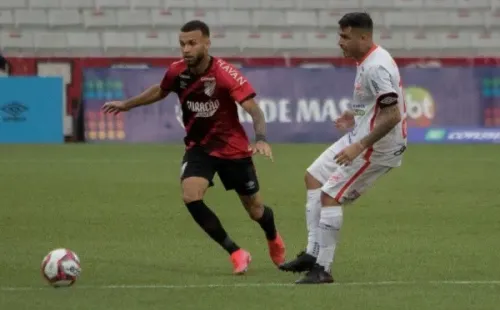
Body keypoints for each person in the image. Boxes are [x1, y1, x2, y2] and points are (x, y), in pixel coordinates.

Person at [102, 20, 286, 275]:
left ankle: (273, 236)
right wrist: (127, 105)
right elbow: (161, 90)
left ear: (207, 43)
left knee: (255, 210)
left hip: (233, 149)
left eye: (192, 43)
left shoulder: (225, 73)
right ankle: (235, 252)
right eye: (182, 44)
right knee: (190, 195)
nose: (186, 49)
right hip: (199, 147)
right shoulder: (177, 71)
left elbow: (254, 109)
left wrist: (262, 138)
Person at [279, 12, 408, 284]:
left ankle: (322, 269)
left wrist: (359, 146)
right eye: (340, 35)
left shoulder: (376, 67)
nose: (340, 42)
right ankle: (313, 253)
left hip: (376, 147)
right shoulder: (368, 60)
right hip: (361, 134)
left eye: (345, 37)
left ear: (364, 37)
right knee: (313, 176)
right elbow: (378, 102)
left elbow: (393, 115)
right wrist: (355, 113)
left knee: (330, 196)